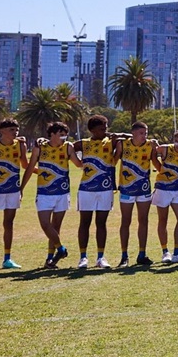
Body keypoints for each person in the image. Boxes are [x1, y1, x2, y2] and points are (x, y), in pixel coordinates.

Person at [0, 117, 29, 271]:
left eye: (16, 130)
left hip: (12, 190)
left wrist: (42, 171)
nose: (15, 132)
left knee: (8, 224)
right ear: (2, 131)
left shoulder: (20, 145)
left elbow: (25, 165)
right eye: (11, 130)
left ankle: (7, 259)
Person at [72, 114, 119, 269]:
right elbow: (65, 147)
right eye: (101, 129)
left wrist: (116, 136)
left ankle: (101, 257)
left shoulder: (111, 141)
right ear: (92, 130)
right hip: (86, 188)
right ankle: (83, 257)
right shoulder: (83, 144)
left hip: (105, 189)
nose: (104, 132)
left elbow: (129, 137)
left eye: (106, 128)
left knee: (101, 223)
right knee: (84, 222)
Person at [29, 122, 73, 269]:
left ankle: (50, 259)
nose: (63, 138)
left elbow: (78, 163)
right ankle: (61, 249)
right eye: (60, 135)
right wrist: (21, 188)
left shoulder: (68, 147)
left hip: (63, 192)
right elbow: (29, 168)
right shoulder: (40, 147)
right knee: (45, 224)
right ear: (52, 134)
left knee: (55, 227)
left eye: (64, 135)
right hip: (44, 192)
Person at [115, 121, 157, 267]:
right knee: (125, 221)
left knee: (143, 220)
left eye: (145, 133)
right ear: (133, 133)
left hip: (144, 189)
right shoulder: (123, 144)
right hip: (126, 189)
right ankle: (124, 256)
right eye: (141, 133)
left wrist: (157, 152)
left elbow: (157, 165)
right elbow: (113, 161)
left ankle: (142, 254)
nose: (144, 136)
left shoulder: (150, 146)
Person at [151, 128, 178, 264]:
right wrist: (160, 168)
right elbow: (153, 154)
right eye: (176, 140)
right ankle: (165, 252)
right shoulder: (166, 149)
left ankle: (177, 252)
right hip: (163, 188)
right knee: (163, 220)